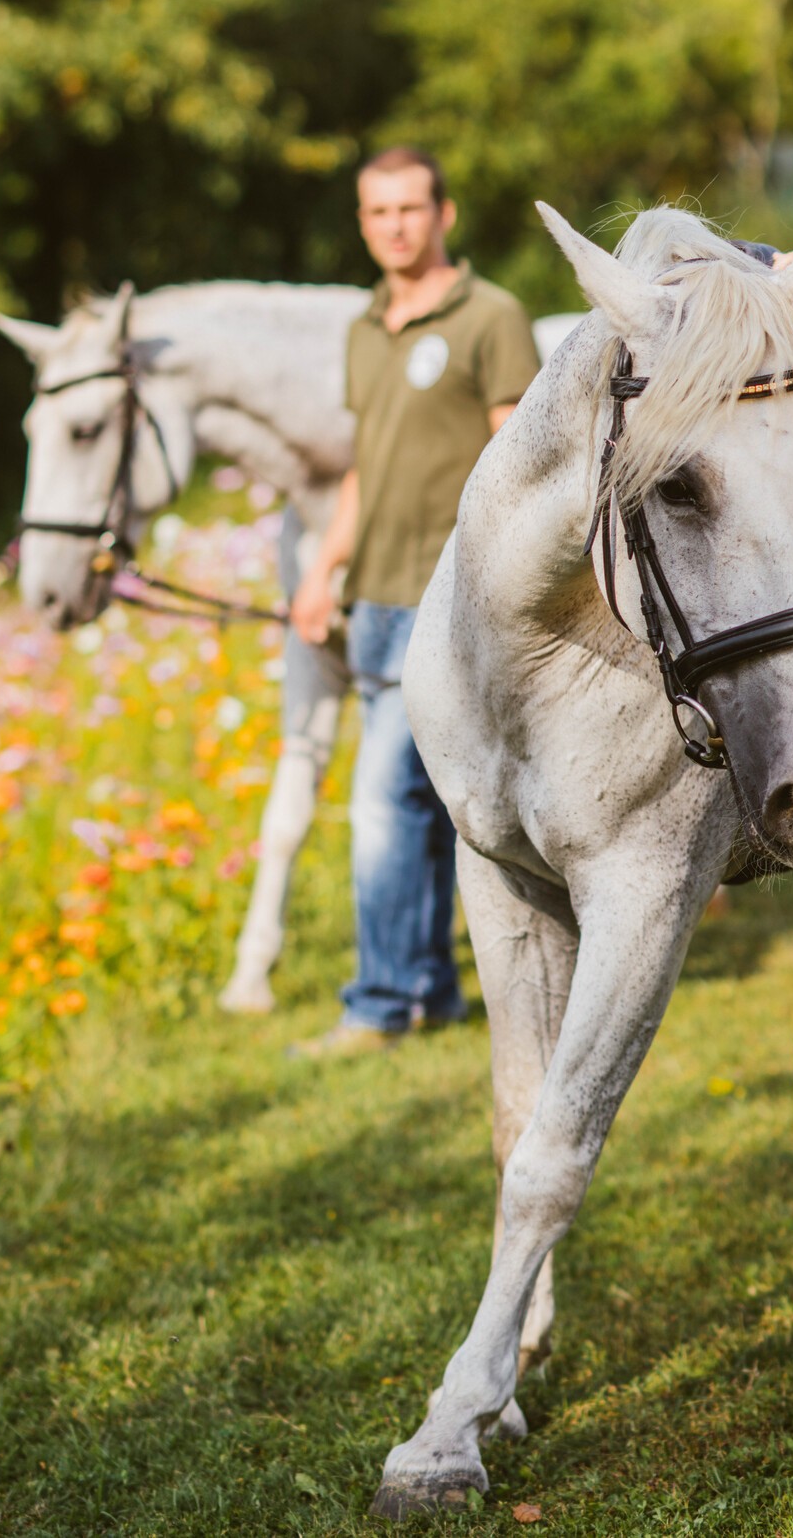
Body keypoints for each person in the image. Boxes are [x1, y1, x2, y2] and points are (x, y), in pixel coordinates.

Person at [290, 146, 540, 1055]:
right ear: (362, 223)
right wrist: (323, 571)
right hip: (376, 598)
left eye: (409, 208)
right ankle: (429, 987)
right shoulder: (364, 328)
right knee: (424, 801)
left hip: (450, 601)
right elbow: (369, 463)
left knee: (384, 800)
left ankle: (381, 1003)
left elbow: (515, 464)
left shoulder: (492, 317)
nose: (394, 225)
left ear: (446, 214)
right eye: (376, 212)